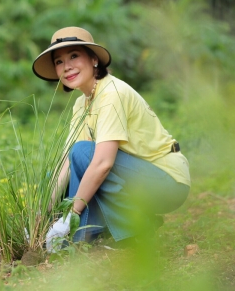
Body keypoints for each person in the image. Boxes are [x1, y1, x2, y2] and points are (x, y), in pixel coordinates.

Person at [32, 27, 191, 252]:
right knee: (61, 172)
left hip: (167, 181)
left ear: (94, 59)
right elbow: (66, 164)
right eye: (59, 61)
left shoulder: (112, 93)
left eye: (74, 56)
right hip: (135, 176)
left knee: (85, 155)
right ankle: (84, 238)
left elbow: (103, 163)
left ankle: (134, 233)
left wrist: (70, 216)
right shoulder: (82, 103)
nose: (66, 66)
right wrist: (40, 213)